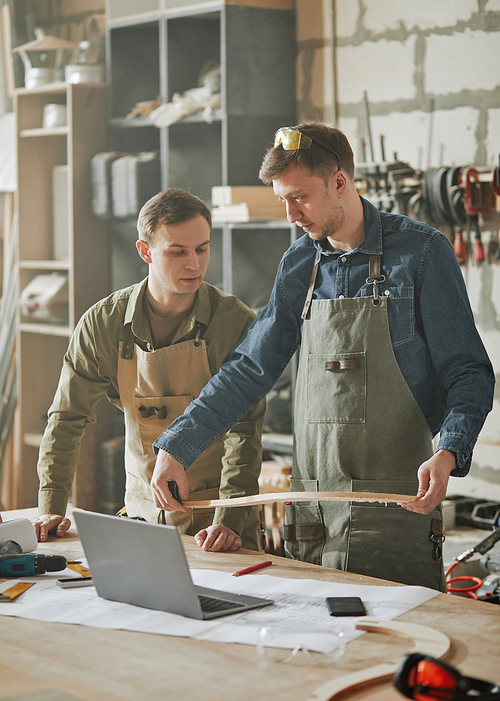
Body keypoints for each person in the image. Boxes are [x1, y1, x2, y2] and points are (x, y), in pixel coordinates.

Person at [150, 122, 495, 591]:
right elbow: (250, 368)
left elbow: (469, 371)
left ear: (339, 182)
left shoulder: (420, 253)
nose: (291, 214)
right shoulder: (299, 264)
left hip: (394, 513)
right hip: (313, 518)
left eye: (300, 197)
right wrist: (177, 445)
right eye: (282, 200)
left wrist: (450, 450)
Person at [34, 188, 265, 552]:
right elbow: (66, 418)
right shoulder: (103, 324)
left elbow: (244, 429)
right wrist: (51, 507)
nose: (194, 264)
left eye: (202, 248)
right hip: (141, 519)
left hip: (217, 523)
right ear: (145, 251)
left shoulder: (235, 324)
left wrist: (228, 522)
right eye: (177, 252)